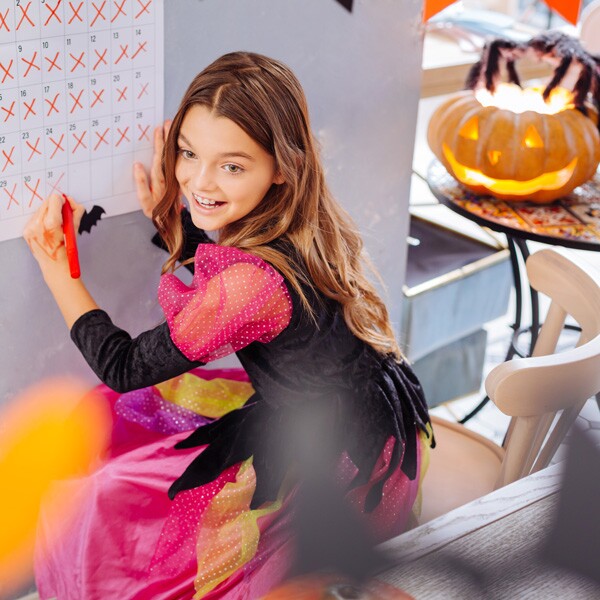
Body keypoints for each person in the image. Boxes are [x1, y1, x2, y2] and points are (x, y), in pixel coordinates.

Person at [24, 51, 432, 599]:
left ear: (283, 166)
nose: (199, 180)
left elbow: (124, 366)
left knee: (108, 491)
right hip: (367, 416)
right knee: (109, 413)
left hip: (341, 463)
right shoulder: (302, 221)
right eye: (188, 154)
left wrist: (57, 272)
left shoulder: (251, 286)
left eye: (231, 165)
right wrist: (178, 218)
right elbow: (238, 286)